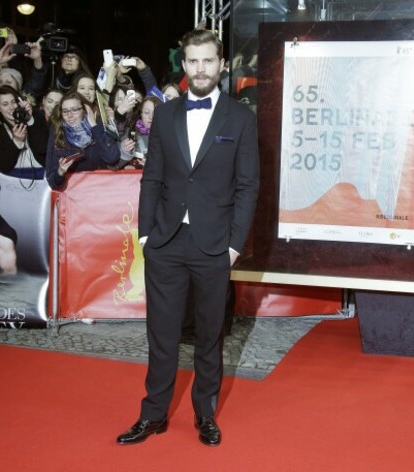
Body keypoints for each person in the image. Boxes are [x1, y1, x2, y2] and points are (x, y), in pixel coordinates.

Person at [117, 29, 260, 446]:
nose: (200, 69)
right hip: (165, 242)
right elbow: (152, 179)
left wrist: (235, 244)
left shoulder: (242, 118)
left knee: (210, 335)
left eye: (208, 61)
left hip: (215, 243)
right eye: (193, 61)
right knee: (160, 333)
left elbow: (248, 186)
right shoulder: (165, 114)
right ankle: (154, 414)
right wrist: (146, 236)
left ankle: (205, 414)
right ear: (185, 65)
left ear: (222, 65)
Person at [44, 91, 128, 190]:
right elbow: (52, 182)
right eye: (65, 111)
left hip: (103, 190)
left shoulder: (98, 125)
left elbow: (112, 158)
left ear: (84, 110)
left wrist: (93, 125)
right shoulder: (57, 131)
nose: (70, 115)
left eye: (74, 110)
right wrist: (60, 172)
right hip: (74, 194)